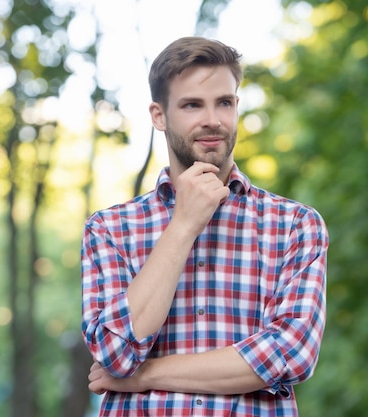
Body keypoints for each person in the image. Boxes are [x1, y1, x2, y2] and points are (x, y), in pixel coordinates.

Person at [81, 36, 329, 416]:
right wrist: (182, 225)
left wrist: (144, 376)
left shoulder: (295, 225)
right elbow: (115, 354)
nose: (212, 119)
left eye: (224, 103)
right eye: (192, 104)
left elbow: (290, 354)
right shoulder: (110, 229)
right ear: (159, 115)